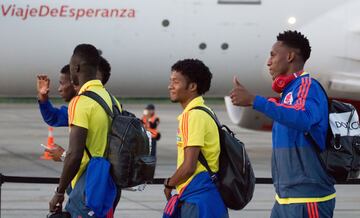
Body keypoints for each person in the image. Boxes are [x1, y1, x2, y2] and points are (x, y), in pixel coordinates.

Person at [230, 30, 336, 218]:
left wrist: (255, 101)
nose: (268, 62)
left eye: (272, 55)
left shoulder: (307, 86)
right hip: (284, 199)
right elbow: (287, 112)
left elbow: (303, 118)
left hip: (307, 201)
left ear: (289, 56)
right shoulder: (289, 93)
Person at [49, 44, 121, 217]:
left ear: (76, 67)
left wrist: (59, 192)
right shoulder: (112, 100)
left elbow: (75, 154)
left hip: (88, 186)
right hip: (109, 183)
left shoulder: (80, 102)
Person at [163, 59, 228, 218]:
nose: (170, 86)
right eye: (170, 81)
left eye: (176, 82)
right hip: (209, 196)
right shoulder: (206, 111)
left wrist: (169, 183)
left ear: (192, 86)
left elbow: (189, 166)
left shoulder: (192, 116)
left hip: (197, 198)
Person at [37, 56, 112, 161]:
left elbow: (83, 157)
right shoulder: (110, 101)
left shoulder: (82, 106)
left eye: (62, 83)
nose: (59, 89)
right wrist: (43, 97)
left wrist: (63, 156)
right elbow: (54, 117)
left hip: (93, 173)